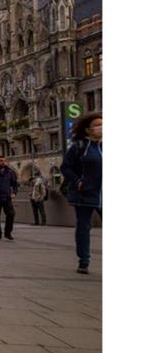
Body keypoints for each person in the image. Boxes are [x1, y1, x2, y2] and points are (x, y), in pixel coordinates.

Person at [61, 112, 102, 275]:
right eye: (97, 125)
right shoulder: (80, 147)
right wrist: (78, 182)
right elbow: (65, 167)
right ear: (88, 130)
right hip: (84, 193)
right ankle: (84, 261)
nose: (101, 128)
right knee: (84, 227)